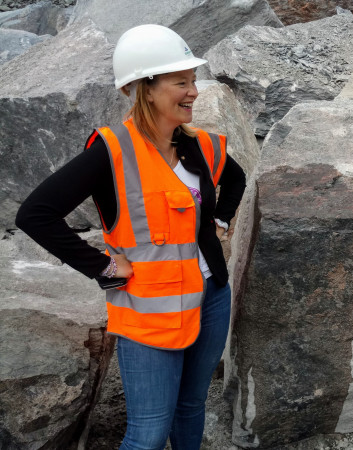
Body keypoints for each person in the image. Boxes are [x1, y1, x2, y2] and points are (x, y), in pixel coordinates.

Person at [15, 24, 246, 450]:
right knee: (149, 432)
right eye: (181, 82)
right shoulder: (111, 150)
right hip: (147, 309)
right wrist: (101, 266)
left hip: (211, 295)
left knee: (192, 407)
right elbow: (35, 214)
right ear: (145, 88)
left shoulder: (202, 146)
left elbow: (236, 179)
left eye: (193, 80)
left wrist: (220, 225)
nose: (194, 91)